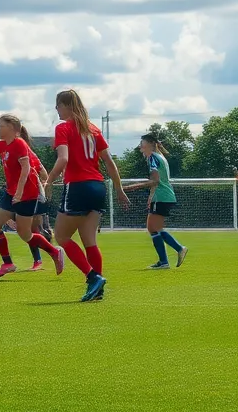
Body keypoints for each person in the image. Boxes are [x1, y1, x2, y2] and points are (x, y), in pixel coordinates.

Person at [44, 90, 128, 302]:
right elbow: (109, 162)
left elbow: (63, 159)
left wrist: (49, 180)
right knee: (90, 241)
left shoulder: (63, 128)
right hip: (98, 186)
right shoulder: (93, 129)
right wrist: (119, 189)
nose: (57, 109)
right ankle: (97, 291)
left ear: (67, 106)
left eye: (58, 105)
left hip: (78, 186)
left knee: (62, 237)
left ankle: (93, 278)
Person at [0, 115, 65, 278]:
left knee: (26, 234)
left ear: (12, 128)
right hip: (11, 193)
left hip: (27, 194)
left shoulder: (19, 144)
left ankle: (54, 252)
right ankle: (7, 263)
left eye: (1, 126)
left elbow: (26, 168)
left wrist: (20, 191)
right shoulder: (3, 145)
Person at [126, 134, 187, 269]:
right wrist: (150, 197)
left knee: (155, 228)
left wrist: (132, 187)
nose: (140, 146)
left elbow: (155, 180)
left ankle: (178, 249)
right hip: (162, 196)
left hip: (162, 196)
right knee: (152, 228)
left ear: (150, 144)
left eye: (142, 143)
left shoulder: (153, 157)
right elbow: (157, 181)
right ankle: (163, 261)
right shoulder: (159, 157)